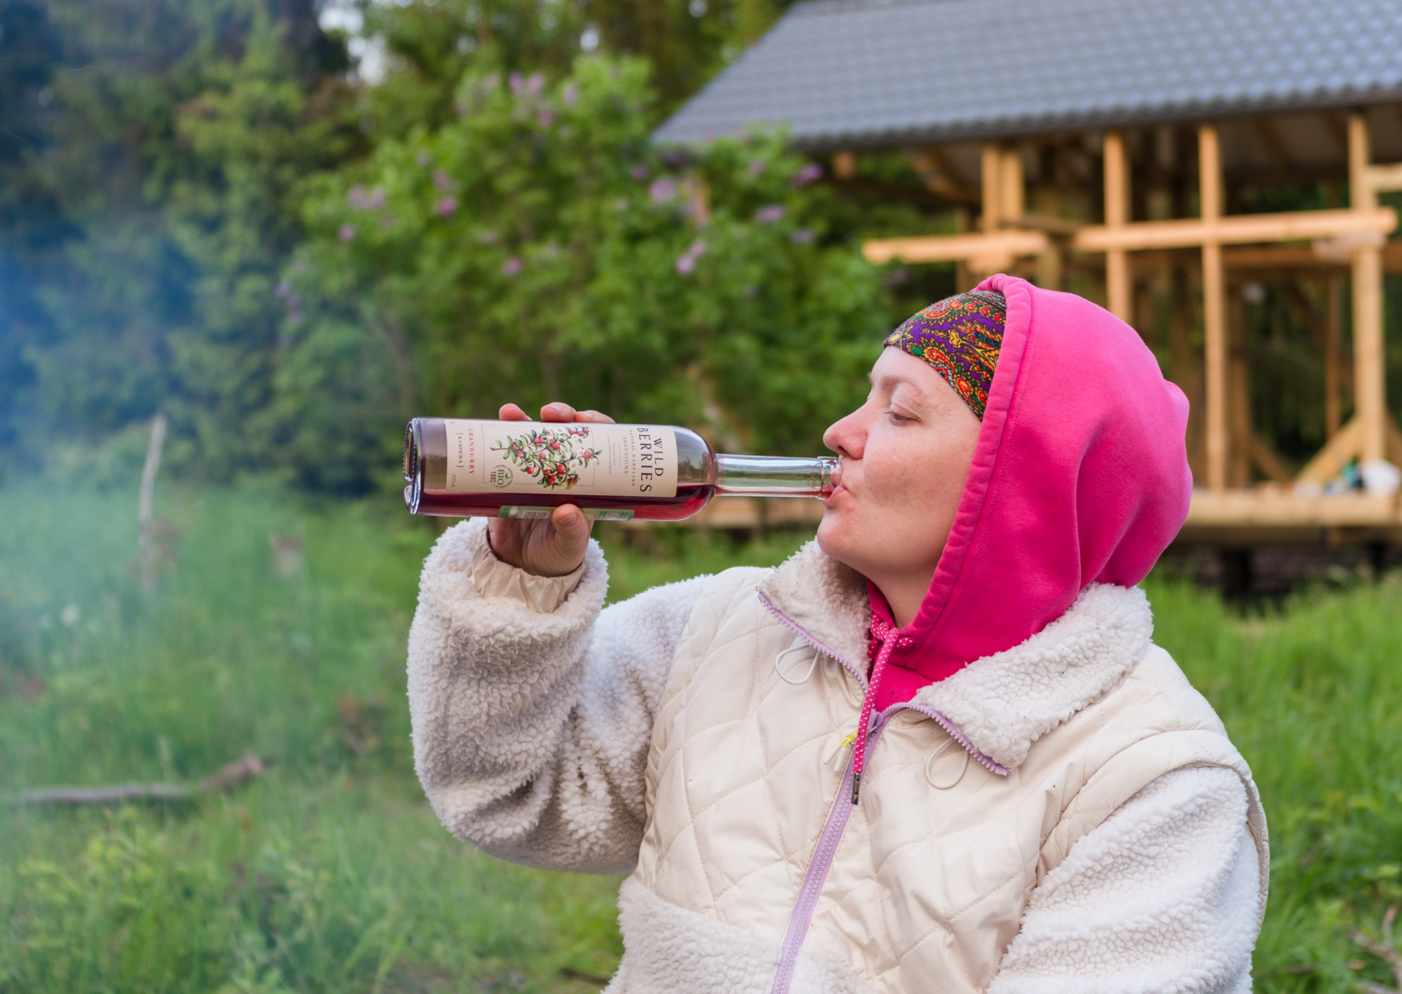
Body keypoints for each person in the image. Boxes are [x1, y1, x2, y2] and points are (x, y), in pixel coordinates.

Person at [407, 274, 1267, 994]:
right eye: (867, 395)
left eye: (900, 413)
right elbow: (498, 790)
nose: (839, 434)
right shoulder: (720, 628)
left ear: (1017, 480)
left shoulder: (1156, 779)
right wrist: (524, 582)